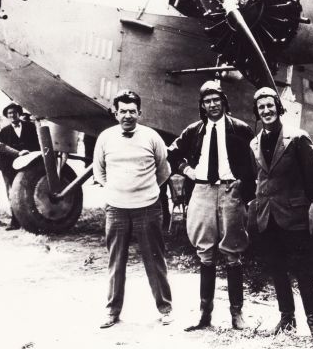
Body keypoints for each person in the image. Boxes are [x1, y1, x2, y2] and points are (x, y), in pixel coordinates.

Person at [167, 80, 255, 331]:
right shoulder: (194, 131)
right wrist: (186, 170)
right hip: (203, 191)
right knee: (205, 252)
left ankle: (237, 314)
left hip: (230, 191)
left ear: (224, 102)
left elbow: (253, 162)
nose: (213, 104)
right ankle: (205, 314)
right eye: (207, 101)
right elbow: (171, 153)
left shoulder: (241, 129)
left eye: (216, 100)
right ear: (202, 105)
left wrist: (242, 185)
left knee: (233, 252)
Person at [248, 87, 313, 348]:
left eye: (271, 106)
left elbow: (311, 179)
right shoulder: (255, 142)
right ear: (257, 113)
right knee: (277, 268)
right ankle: (287, 318)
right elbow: (259, 178)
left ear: (279, 108)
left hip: (293, 216)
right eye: (262, 108)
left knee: (303, 271)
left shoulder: (298, 138)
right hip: (266, 217)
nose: (267, 111)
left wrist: (306, 210)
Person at [93, 89, 173, 329]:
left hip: (148, 209)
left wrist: (143, 191)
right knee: (115, 262)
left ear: (140, 113)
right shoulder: (105, 138)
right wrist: (117, 192)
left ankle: (166, 308)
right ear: (115, 113)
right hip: (116, 211)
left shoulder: (152, 137)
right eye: (122, 111)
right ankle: (112, 311)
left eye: (132, 111)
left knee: (155, 261)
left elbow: (164, 171)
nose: (127, 115)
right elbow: (99, 171)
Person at [0, 103, 40, 231]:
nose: (12, 115)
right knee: (12, 193)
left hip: (29, 166)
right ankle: (15, 221)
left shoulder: (30, 127)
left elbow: (37, 145)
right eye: (9, 113)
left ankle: (31, 221)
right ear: (7, 116)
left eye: (14, 112)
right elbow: (3, 151)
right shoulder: (3, 132)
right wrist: (6, 170)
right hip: (11, 167)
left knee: (29, 192)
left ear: (19, 114)